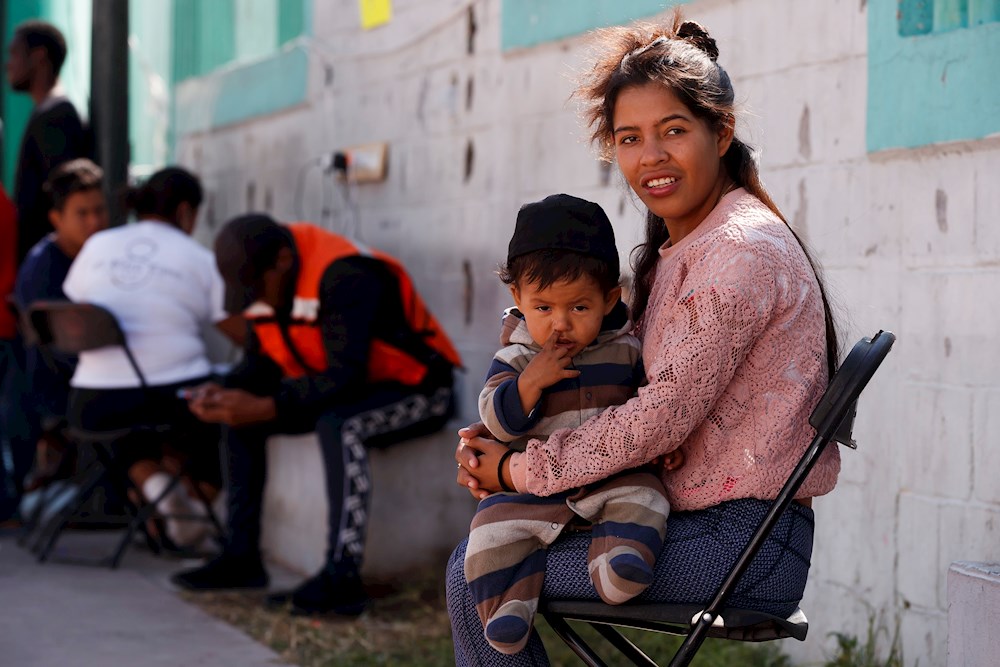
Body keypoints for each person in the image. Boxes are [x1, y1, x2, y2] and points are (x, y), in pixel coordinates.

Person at [448, 13, 841, 665]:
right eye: (629, 138)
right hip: (689, 522)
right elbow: (604, 376)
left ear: (722, 131)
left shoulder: (739, 252)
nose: (650, 156)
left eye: (674, 131)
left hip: (739, 545)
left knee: (476, 577)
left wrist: (518, 469)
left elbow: (657, 420)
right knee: (483, 561)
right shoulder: (686, 246)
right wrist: (503, 434)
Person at [171, 215, 462, 617]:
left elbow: (346, 374)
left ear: (283, 261)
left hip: (419, 390)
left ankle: (341, 579)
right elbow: (260, 364)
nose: (253, 299)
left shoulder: (345, 274)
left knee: (340, 426)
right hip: (338, 389)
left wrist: (268, 405)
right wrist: (225, 392)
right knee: (240, 417)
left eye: (256, 288)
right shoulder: (265, 281)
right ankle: (241, 558)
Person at [466, 193, 680, 654]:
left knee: (647, 497)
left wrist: (668, 445)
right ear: (518, 299)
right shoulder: (515, 357)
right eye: (543, 308)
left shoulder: (627, 351)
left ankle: (619, 561)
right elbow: (497, 422)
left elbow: (651, 408)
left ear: (608, 299)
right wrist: (528, 384)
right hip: (533, 492)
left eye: (579, 308)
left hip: (613, 480)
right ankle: (507, 604)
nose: (560, 324)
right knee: (488, 529)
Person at [62, 166, 235, 547]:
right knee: (224, 412)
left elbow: (74, 307)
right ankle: (193, 510)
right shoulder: (199, 258)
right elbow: (238, 330)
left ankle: (157, 488)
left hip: (90, 402)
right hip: (173, 400)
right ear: (186, 211)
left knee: (128, 431)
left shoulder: (98, 246)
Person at [9, 159, 107, 495]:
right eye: (82, 213)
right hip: (61, 391)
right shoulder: (45, 270)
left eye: (99, 210)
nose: (94, 221)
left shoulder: (96, 257)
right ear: (56, 218)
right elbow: (62, 352)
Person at [5, 20, 90, 264]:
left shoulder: (56, 117)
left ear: (39, 57)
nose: (8, 64)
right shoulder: (48, 112)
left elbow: (65, 197)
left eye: (14, 54)